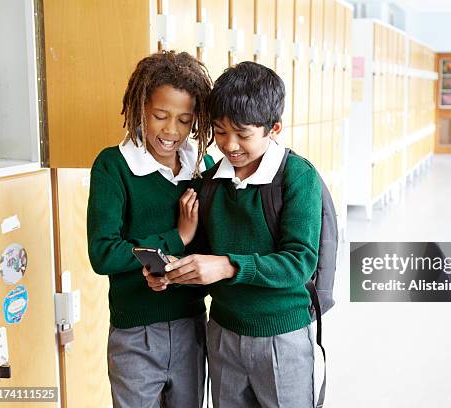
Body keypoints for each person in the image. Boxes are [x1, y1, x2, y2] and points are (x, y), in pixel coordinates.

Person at [145, 61, 323, 408]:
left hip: (281, 335)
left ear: (274, 128)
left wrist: (228, 266)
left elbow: (299, 262)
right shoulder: (212, 183)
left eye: (243, 133)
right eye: (220, 131)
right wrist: (172, 275)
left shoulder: (297, 176)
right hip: (223, 334)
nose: (230, 145)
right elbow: (203, 255)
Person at [87, 50, 213, 408]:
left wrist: (171, 273)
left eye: (185, 120)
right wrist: (178, 237)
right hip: (135, 333)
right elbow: (104, 252)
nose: (172, 131)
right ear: (141, 107)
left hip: (191, 325)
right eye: (160, 116)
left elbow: (211, 246)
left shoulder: (200, 167)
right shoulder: (114, 166)